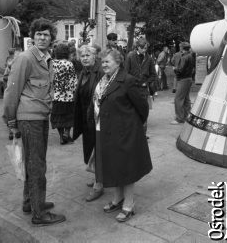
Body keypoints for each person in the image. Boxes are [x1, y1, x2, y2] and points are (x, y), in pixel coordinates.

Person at [3, 18, 66, 226]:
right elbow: (12, 91)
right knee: (37, 165)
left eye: (46, 34)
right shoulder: (25, 58)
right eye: (38, 34)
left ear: (51, 39)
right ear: (32, 36)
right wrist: (11, 121)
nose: (42, 37)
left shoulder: (46, 57)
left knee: (33, 161)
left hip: (39, 117)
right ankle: (39, 214)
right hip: (29, 119)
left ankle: (30, 202)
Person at [93, 49, 152, 222]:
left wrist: (132, 125)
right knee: (114, 166)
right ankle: (117, 199)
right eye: (102, 61)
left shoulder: (128, 81)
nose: (103, 64)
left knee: (126, 169)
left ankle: (129, 204)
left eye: (107, 61)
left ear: (118, 63)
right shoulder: (103, 80)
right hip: (106, 131)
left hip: (125, 132)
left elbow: (143, 107)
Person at [72, 45, 104, 202]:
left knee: (98, 149)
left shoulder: (100, 72)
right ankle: (98, 175)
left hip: (97, 117)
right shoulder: (83, 72)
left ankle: (99, 185)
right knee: (91, 148)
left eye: (87, 55)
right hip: (86, 117)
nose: (84, 58)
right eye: (82, 55)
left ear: (95, 56)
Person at [124, 37, 156, 137]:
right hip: (132, 88)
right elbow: (125, 73)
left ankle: (142, 134)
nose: (144, 50)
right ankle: (132, 133)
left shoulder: (149, 58)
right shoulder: (130, 56)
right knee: (132, 111)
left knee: (143, 111)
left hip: (143, 90)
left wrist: (146, 82)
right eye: (142, 48)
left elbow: (153, 74)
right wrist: (131, 82)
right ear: (137, 47)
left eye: (146, 48)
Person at [51, 43, 78, 145]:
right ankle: (67, 132)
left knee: (58, 117)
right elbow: (73, 80)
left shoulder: (52, 63)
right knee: (69, 116)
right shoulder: (69, 64)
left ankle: (61, 137)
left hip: (56, 95)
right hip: (68, 95)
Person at [171, 42, 194, 125]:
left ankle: (179, 118)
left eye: (180, 47)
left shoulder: (184, 57)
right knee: (186, 99)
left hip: (183, 79)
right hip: (188, 79)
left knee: (178, 99)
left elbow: (180, 69)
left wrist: (175, 69)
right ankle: (188, 116)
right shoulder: (190, 56)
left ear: (182, 48)